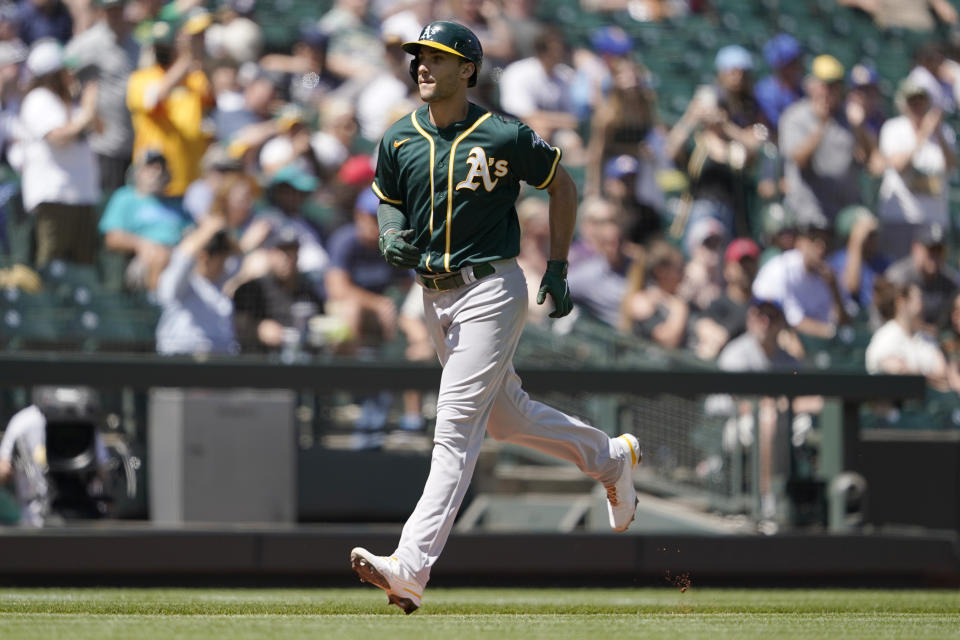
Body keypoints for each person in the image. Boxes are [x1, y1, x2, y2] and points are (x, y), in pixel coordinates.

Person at [350, 21, 642, 614]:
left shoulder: (503, 133)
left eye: (437, 57)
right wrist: (389, 233)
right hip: (433, 296)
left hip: (490, 287)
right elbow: (388, 200)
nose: (423, 66)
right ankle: (610, 457)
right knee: (507, 420)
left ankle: (409, 567)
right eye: (419, 57)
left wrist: (557, 265)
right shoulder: (399, 137)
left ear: (469, 69)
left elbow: (562, 185)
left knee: (456, 428)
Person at [18, 38, 101, 268]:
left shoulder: (71, 103)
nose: (71, 74)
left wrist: (87, 105)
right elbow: (58, 137)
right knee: (52, 267)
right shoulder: (38, 100)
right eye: (66, 69)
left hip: (81, 195)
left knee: (83, 269)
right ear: (53, 73)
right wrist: (87, 110)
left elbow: (102, 129)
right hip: (55, 196)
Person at [778, 55, 874, 229]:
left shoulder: (848, 118)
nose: (830, 91)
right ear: (811, 85)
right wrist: (821, 124)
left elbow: (870, 162)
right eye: (825, 85)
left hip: (844, 215)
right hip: (808, 214)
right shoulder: (795, 117)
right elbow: (799, 159)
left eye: (835, 85)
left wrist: (860, 127)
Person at [126, 14, 213, 200]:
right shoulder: (141, 78)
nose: (162, 50)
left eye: (166, 44)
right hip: (155, 180)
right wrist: (185, 59)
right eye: (158, 45)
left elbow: (212, 100)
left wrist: (195, 51)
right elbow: (155, 97)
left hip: (190, 179)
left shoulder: (195, 78)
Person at [64, 0, 139, 197]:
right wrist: (84, 105)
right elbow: (64, 71)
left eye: (118, 9)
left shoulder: (135, 41)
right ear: (101, 13)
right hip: (105, 141)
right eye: (110, 10)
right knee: (107, 202)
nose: (115, 15)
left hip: (135, 139)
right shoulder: (90, 42)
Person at [877, 78, 957, 258]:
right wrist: (922, 134)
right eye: (912, 101)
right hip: (901, 217)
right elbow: (899, 165)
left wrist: (938, 135)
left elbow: (952, 166)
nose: (917, 106)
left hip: (933, 218)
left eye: (921, 101)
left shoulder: (944, 132)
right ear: (904, 104)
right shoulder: (894, 128)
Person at [98, 149, 192, 291]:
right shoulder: (125, 198)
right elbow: (112, 238)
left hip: (179, 257)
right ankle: (158, 304)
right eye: (150, 167)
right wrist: (142, 245)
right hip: (143, 259)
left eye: (160, 167)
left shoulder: (178, 204)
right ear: (137, 172)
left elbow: (192, 232)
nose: (156, 172)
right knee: (160, 256)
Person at [232, 223, 324, 354]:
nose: (286, 258)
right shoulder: (254, 289)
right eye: (281, 251)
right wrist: (257, 329)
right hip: (262, 363)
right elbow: (234, 325)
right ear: (269, 254)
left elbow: (321, 323)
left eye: (291, 252)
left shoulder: (309, 291)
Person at [154, 215, 239, 355]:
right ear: (204, 257)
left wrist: (224, 232)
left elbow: (240, 254)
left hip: (220, 361)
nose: (225, 264)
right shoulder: (184, 281)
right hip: (181, 360)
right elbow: (183, 257)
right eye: (221, 259)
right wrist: (208, 229)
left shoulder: (223, 281)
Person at [752, 221, 850, 339]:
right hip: (784, 337)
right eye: (814, 241)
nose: (821, 247)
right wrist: (834, 333)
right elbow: (794, 321)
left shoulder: (831, 271)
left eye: (825, 241)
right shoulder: (781, 268)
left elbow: (843, 321)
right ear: (800, 242)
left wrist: (834, 289)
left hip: (824, 342)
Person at [866, 277, 950, 390]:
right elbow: (900, 373)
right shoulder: (885, 337)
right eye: (918, 298)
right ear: (901, 302)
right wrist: (929, 379)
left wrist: (921, 376)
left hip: (931, 404)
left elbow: (943, 374)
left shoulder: (927, 338)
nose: (922, 305)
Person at [884, 223, 960, 331]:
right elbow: (882, 318)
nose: (934, 255)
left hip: (935, 343)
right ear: (915, 248)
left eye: (938, 250)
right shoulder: (898, 277)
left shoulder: (951, 281)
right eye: (930, 249)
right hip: (900, 339)